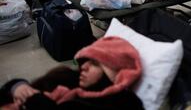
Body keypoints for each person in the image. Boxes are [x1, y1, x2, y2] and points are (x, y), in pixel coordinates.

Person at [0, 36, 144, 110]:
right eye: (84, 61)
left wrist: (40, 104)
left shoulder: (123, 103)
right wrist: (17, 87)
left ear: (113, 72)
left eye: (94, 63)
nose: (83, 67)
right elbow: (7, 91)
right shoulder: (66, 78)